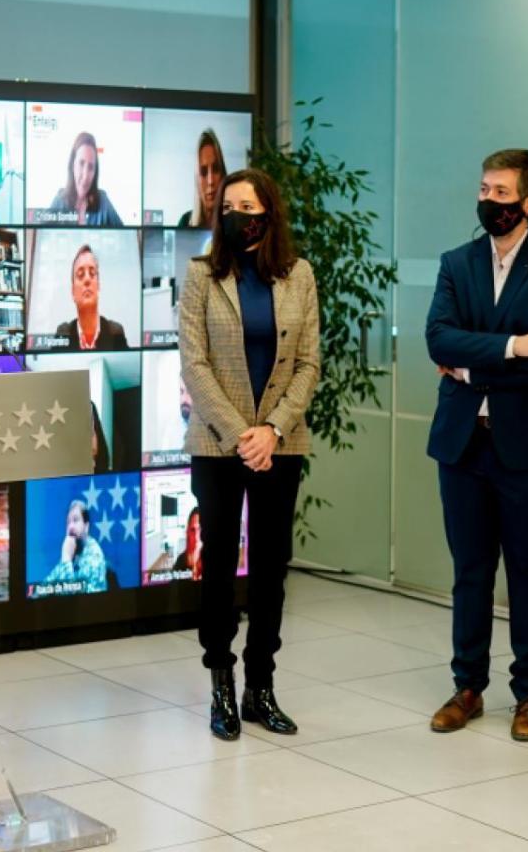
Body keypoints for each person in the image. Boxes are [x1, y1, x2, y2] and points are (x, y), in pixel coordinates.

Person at [426, 149, 528, 743]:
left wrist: (470, 366)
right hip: (463, 445)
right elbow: (437, 336)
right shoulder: (455, 263)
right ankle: (468, 687)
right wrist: (515, 346)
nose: (488, 200)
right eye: (484, 189)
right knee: (469, 570)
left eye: (501, 192)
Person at [179, 167, 321, 741]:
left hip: (281, 445)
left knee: (270, 567)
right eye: (231, 205)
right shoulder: (201, 276)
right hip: (219, 443)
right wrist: (244, 433)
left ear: (270, 213)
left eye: (250, 204)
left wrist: (273, 431)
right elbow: (195, 362)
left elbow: (309, 363)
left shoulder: (299, 275)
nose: (240, 213)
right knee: (218, 564)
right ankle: (221, 684)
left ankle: (261, 687)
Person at [53, 245, 129, 349]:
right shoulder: (63, 333)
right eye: (80, 274)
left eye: (92, 273)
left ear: (98, 286)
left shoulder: (115, 332)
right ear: (73, 292)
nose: (87, 279)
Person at [44, 132, 123, 226]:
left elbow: (125, 232)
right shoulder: (59, 201)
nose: (85, 176)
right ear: (73, 165)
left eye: (91, 167)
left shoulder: (103, 200)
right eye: (81, 163)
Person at [41, 500, 108, 593]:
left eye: (75, 520)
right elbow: (45, 586)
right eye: (68, 522)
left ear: (86, 526)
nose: (70, 527)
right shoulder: (72, 551)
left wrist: (66, 560)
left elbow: (74, 599)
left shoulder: (94, 555)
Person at [178, 129, 226, 228]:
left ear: (223, 174)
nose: (210, 181)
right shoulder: (185, 223)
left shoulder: (232, 225)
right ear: (196, 180)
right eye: (203, 172)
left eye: (216, 169)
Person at [171, 507, 203, 580]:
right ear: (188, 532)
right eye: (192, 530)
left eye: (200, 529)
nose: (196, 536)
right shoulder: (180, 562)